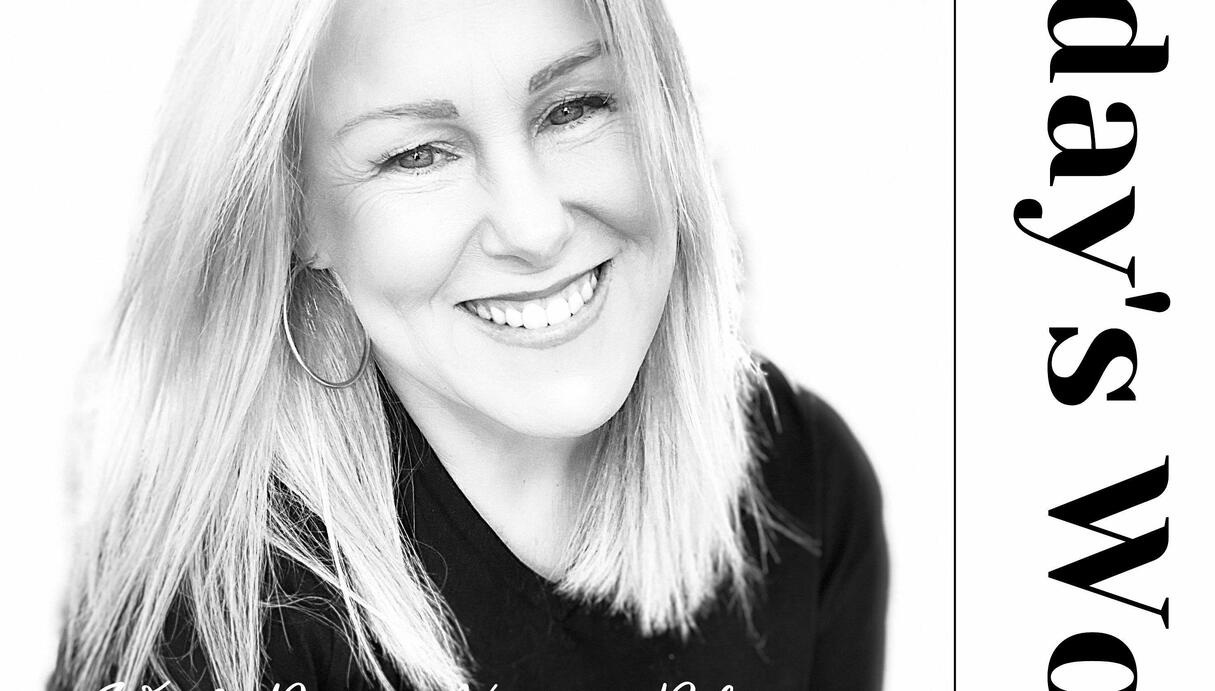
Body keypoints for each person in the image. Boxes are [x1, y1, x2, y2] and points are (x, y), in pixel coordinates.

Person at [49, 0, 888, 689]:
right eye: (417, 155)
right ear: (296, 214)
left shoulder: (799, 480)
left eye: (575, 108)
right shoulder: (213, 609)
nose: (534, 227)